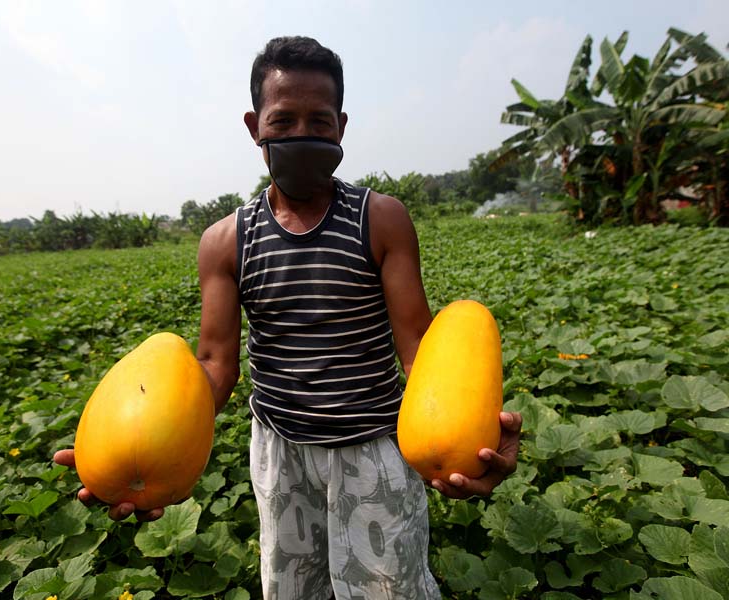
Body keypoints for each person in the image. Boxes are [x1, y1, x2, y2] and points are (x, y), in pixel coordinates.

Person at [55, 35, 521, 599]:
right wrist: (133, 442)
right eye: (283, 120)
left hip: (372, 443)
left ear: (342, 127)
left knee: (387, 589)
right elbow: (215, 364)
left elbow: (420, 346)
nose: (302, 135)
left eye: (319, 122)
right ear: (255, 126)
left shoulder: (382, 220)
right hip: (280, 452)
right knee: (292, 588)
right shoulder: (227, 241)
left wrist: (470, 436)